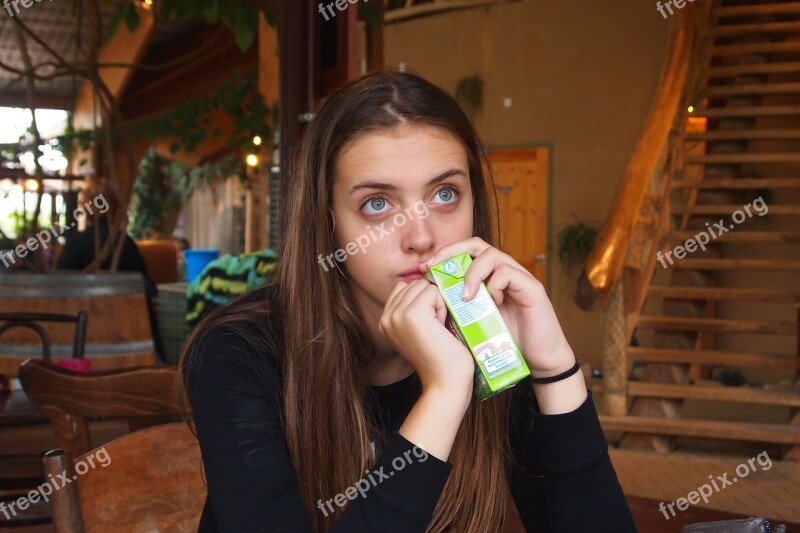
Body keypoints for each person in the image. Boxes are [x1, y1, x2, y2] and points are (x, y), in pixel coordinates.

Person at [180, 70, 636, 532]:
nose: (422, 236)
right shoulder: (238, 351)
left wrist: (552, 364)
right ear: (327, 222)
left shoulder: (487, 337)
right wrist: (443, 393)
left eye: (444, 194)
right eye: (377, 203)